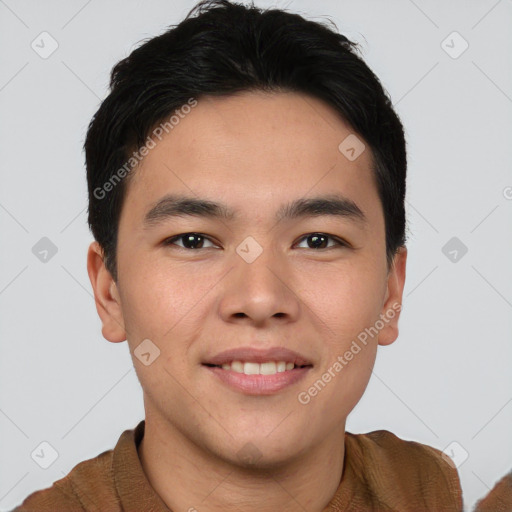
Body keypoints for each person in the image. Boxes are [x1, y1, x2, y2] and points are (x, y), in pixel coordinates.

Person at [12, 0, 466, 510]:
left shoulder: (441, 494)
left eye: (317, 240)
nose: (259, 298)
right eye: (193, 240)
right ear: (109, 290)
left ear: (390, 291)